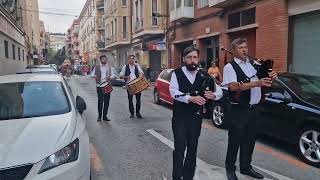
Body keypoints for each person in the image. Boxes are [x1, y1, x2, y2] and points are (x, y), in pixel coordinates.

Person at [222, 38, 277, 180]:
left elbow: (263, 81)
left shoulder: (252, 65)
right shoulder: (230, 67)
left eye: (246, 47)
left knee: (250, 140)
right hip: (239, 109)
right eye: (241, 47)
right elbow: (233, 87)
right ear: (234, 50)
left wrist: (271, 76)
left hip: (254, 109)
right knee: (235, 140)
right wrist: (257, 83)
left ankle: (246, 167)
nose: (245, 50)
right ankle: (230, 169)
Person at [169, 46, 223, 180]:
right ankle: (176, 177)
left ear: (198, 59)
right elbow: (173, 92)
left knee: (192, 151)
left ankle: (188, 177)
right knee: (179, 150)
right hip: (180, 118)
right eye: (189, 57)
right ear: (184, 59)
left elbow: (220, 90)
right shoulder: (177, 73)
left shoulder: (204, 74)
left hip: (196, 119)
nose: (192, 60)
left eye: (194, 57)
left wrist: (213, 95)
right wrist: (190, 98)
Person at [120, 54, 144, 119]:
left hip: (137, 85)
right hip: (129, 85)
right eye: (130, 58)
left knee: (138, 100)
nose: (132, 59)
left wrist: (141, 75)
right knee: (130, 100)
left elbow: (141, 72)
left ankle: (138, 113)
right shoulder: (125, 67)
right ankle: (132, 113)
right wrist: (126, 77)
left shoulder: (137, 65)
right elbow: (121, 75)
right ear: (128, 60)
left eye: (133, 58)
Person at [91, 55, 114, 122]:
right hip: (99, 86)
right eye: (103, 59)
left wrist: (110, 77)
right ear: (100, 60)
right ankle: (99, 116)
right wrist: (95, 76)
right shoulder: (97, 67)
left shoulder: (109, 67)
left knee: (107, 102)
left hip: (107, 85)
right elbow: (92, 75)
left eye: (105, 59)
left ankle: (105, 116)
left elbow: (113, 75)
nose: (104, 60)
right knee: (100, 102)